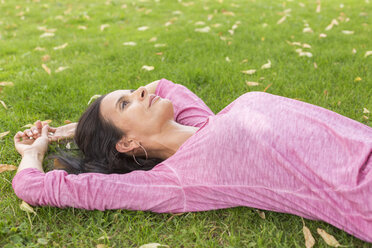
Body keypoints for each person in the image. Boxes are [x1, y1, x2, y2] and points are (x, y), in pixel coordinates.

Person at [12, 79, 372, 243]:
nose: (141, 91)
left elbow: (166, 86)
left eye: (132, 91)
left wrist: (78, 129)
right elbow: (33, 185)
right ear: (128, 143)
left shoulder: (203, 122)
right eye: (126, 103)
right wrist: (33, 152)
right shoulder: (176, 180)